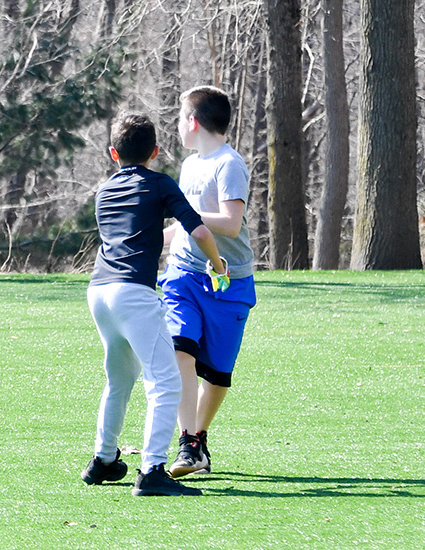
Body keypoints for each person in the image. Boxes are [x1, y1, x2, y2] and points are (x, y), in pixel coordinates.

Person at [80, 114, 228, 496]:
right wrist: (217, 263)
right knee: (165, 381)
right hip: (133, 294)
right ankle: (153, 470)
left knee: (119, 378)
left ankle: (104, 460)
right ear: (156, 152)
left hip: (99, 291)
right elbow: (197, 229)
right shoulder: (161, 184)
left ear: (113, 153)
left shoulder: (104, 191)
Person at [160, 85, 258, 478]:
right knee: (179, 349)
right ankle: (187, 442)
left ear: (193, 121)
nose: (177, 126)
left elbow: (231, 225)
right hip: (183, 274)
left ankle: (197, 440)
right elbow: (189, 229)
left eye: (180, 118)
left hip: (228, 281)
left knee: (217, 374)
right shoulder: (189, 165)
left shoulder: (228, 164)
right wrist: (150, 238)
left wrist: (186, 212)